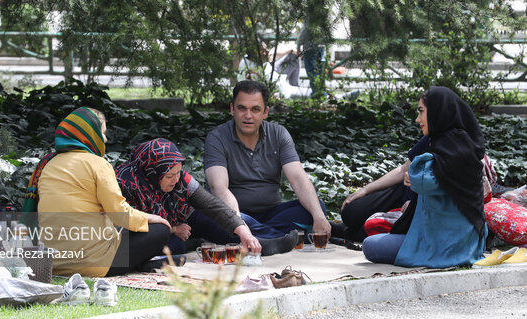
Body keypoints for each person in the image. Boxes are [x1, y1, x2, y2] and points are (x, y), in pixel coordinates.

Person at [25, 107, 171, 277]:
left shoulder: (47, 165)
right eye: (102, 132)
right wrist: (152, 218)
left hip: (52, 262)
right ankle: (142, 262)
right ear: (89, 134)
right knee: (160, 230)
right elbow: (119, 214)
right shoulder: (97, 164)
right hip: (92, 265)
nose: (105, 138)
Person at [362, 86, 487, 267]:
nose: (417, 119)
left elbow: (424, 182)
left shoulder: (448, 147)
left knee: (370, 245)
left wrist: (413, 178)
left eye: (421, 112)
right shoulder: (462, 143)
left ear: (437, 112)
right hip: (469, 242)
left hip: (443, 244)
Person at [116, 138, 298, 256]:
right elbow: (128, 224)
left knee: (224, 222)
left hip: (183, 218)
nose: (176, 180)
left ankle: (268, 243)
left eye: (178, 172)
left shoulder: (180, 179)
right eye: (169, 176)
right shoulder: (126, 183)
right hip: (150, 230)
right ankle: (193, 242)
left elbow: (211, 205)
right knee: (173, 247)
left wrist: (243, 232)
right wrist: (172, 229)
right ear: (152, 173)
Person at [204, 80, 331, 239]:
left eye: (255, 109)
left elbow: (298, 179)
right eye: (242, 108)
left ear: (265, 112)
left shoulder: (278, 134)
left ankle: (262, 236)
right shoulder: (217, 138)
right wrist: (238, 224)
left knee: (316, 208)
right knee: (214, 220)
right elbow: (218, 188)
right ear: (232, 109)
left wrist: (318, 216)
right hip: (233, 214)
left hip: (272, 214)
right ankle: (277, 238)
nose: (248, 116)